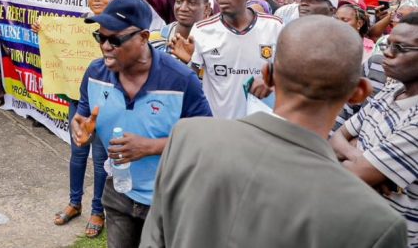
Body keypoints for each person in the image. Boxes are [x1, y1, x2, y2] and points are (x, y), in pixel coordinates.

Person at [141, 16, 407, 248]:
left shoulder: (189, 137)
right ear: (359, 93)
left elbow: (154, 238)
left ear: (267, 75)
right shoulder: (376, 221)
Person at [71, 0, 212, 248]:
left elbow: (205, 141)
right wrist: (83, 130)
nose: (105, 46)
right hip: (118, 194)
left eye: (115, 39)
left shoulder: (181, 80)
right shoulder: (94, 73)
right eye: (100, 37)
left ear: (144, 38)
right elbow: (84, 115)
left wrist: (150, 147)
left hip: (169, 200)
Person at [331, 12, 418, 246]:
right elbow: (337, 138)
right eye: (388, 44)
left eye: (400, 48)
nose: (387, 54)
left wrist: (363, 165)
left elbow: (352, 175)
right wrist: (362, 158)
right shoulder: (392, 91)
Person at [53, 0, 118, 239]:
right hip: (78, 97)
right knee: (78, 153)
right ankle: (74, 202)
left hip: (106, 100)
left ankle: (97, 210)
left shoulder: (121, 27)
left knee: (101, 158)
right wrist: (45, 32)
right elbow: (57, 42)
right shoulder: (78, 23)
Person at [190, 0, 283, 119]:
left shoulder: (274, 26)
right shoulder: (202, 30)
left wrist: (271, 79)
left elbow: (291, 67)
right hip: (219, 127)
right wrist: (186, 61)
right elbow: (191, 79)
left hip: (262, 127)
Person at [152, 0, 211, 64]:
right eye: (179, 1)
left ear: (207, 8)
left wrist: (191, 62)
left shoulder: (215, 43)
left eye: (192, 3)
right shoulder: (154, 38)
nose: (183, 8)